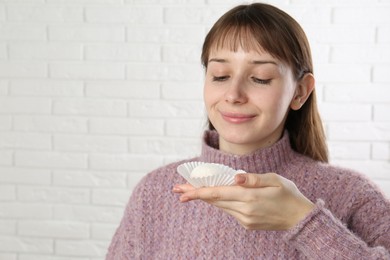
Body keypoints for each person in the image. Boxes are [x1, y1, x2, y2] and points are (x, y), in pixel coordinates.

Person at [106, 3, 390, 259]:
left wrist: (303, 220)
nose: (233, 94)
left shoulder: (352, 196)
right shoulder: (154, 192)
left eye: (260, 78)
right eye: (220, 75)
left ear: (300, 92)